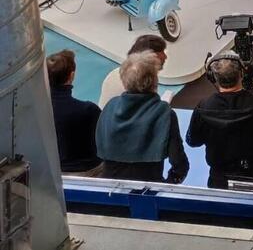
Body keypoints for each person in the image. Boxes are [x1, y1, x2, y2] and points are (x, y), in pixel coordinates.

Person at [186, 53, 253, 190]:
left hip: (218, 180)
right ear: (242, 74)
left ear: (213, 77)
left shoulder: (203, 107)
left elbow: (192, 141)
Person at [96, 52, 189, 184]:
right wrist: (167, 184)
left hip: (109, 186)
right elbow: (178, 162)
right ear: (154, 81)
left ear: (125, 81)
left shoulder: (110, 106)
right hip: (149, 187)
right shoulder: (164, 113)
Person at [47, 50, 102, 176]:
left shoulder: (37, 109)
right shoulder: (89, 110)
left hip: (51, 171)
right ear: (71, 76)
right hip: (88, 172)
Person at [98, 34, 168, 108]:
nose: (165, 56)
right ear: (151, 56)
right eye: (162, 52)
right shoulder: (141, 82)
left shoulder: (118, 73)